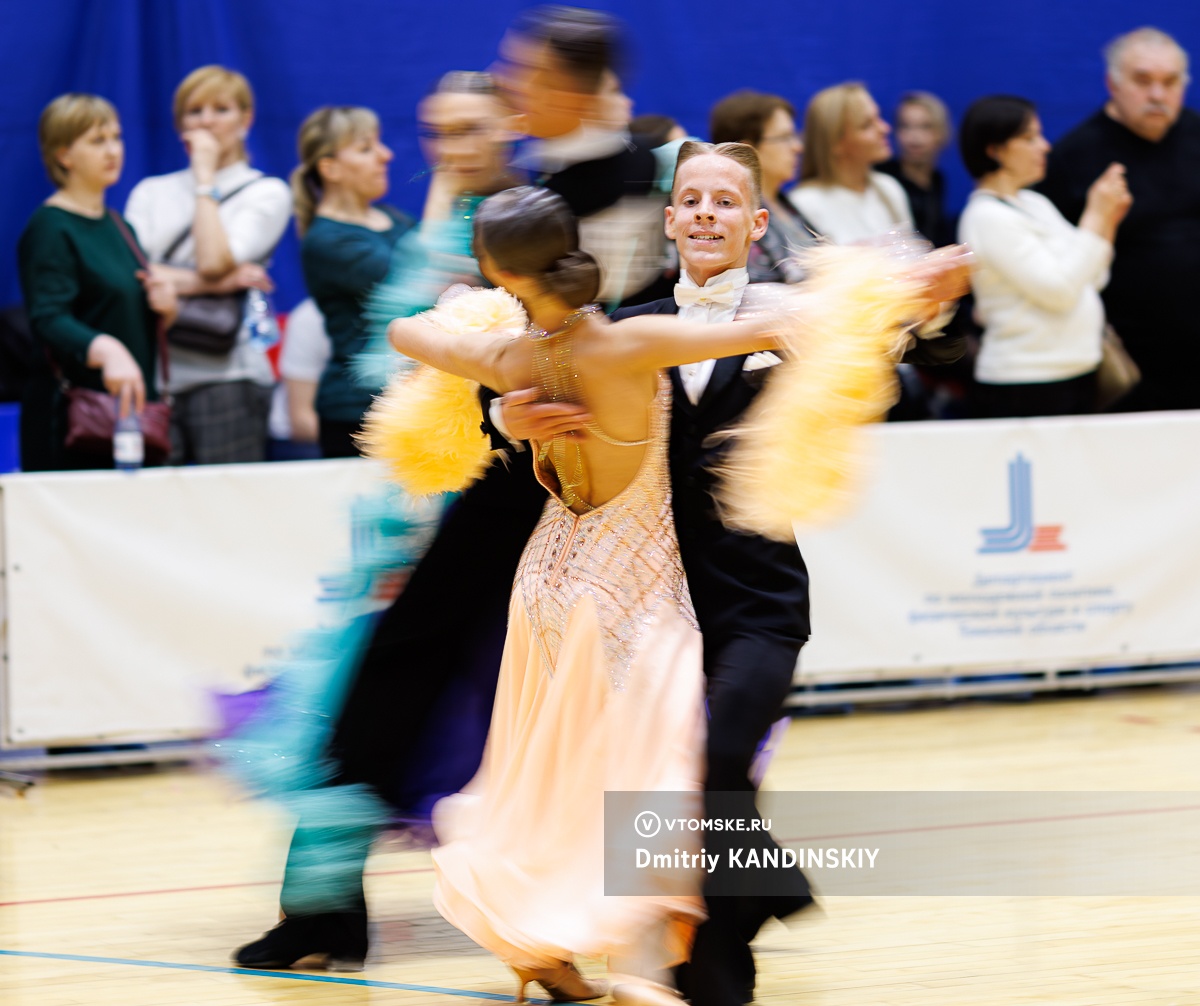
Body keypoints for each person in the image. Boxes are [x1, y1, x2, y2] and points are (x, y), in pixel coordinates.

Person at [397, 179, 968, 1003]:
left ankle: (627, 937)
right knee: (647, 769)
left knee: (657, 765)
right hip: (643, 587)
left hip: (743, 591)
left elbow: (852, 332)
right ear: (668, 221)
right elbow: (551, 379)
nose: (705, 211)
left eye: (725, 200)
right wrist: (505, 423)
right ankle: (677, 960)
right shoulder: (633, 328)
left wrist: (916, 302)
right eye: (690, 198)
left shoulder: (721, 312)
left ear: (757, 223)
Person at [125, 65, 291, 464]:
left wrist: (204, 177)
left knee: (228, 512)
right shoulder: (150, 192)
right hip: (158, 375)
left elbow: (216, 260)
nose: (207, 121)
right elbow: (136, 273)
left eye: (221, 109)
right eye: (195, 111)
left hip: (229, 377)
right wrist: (216, 285)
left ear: (246, 119)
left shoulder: (266, 191)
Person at [1039, 27, 1200, 412]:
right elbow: (1053, 269)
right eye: (1143, 81)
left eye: (1170, 82)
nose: (1158, 95)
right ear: (1113, 83)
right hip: (1128, 370)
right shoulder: (1072, 158)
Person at [18, 93, 177, 471]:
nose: (113, 150)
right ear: (63, 155)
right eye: (97, 140)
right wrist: (105, 349)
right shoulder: (50, 227)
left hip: (128, 417)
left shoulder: (121, 227)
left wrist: (167, 308)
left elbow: (124, 316)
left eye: (116, 137)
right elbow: (48, 317)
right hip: (74, 420)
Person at [958, 96, 1131, 418]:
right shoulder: (985, 216)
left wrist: (1107, 221)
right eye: (1030, 138)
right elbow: (1061, 293)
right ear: (995, 150)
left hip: (1076, 368)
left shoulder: (1035, 203)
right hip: (1026, 381)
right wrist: (1095, 215)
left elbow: (1094, 277)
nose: (1045, 146)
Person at [497, 6, 671, 307]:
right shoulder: (533, 172)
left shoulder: (640, 169)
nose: (504, 81)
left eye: (523, 71)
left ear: (568, 95)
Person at [292, 105, 413, 457]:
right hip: (359, 412)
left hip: (412, 401)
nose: (386, 155)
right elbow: (411, 286)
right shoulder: (327, 240)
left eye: (379, 144)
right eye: (366, 148)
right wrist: (447, 185)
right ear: (330, 168)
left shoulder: (393, 218)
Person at [788, 82, 915, 244]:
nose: (884, 128)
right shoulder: (805, 204)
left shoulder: (889, 187)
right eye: (867, 125)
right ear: (835, 143)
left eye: (879, 118)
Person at [709, 90, 815, 282]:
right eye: (785, 137)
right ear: (748, 151)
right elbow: (755, 294)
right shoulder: (732, 219)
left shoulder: (786, 205)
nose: (798, 147)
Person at [878, 91, 955, 246]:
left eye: (925, 127)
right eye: (905, 126)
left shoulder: (937, 179)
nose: (914, 137)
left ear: (941, 132)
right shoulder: (884, 178)